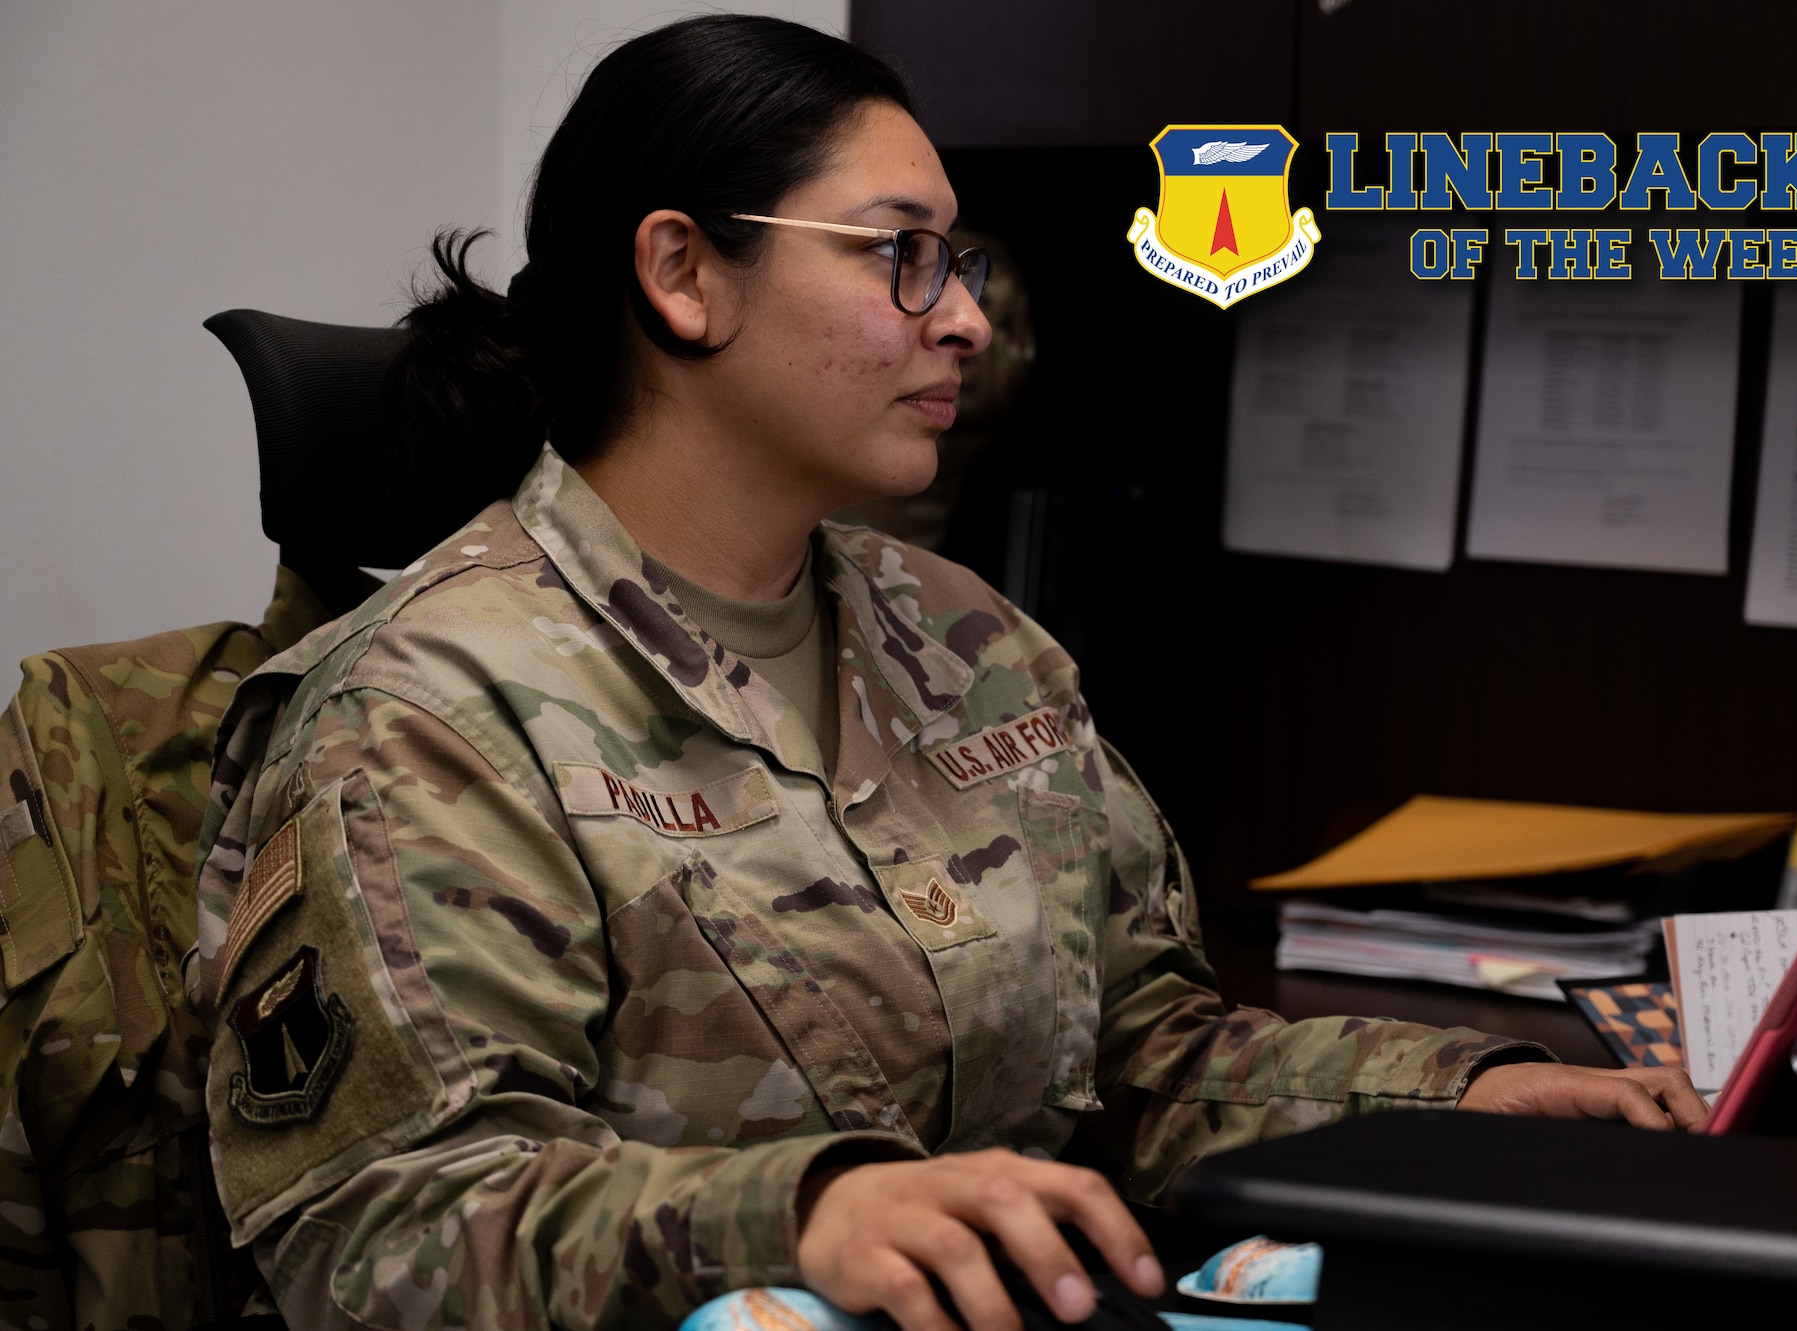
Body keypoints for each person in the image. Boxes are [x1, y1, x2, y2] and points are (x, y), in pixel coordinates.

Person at [191, 16, 1705, 1331]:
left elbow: (1143, 1060)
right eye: (900, 255)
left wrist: (1466, 1100)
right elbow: (375, 1235)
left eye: (957, 260)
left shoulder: (969, 641)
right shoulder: (432, 711)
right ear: (683, 275)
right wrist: (810, 1213)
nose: (968, 317)